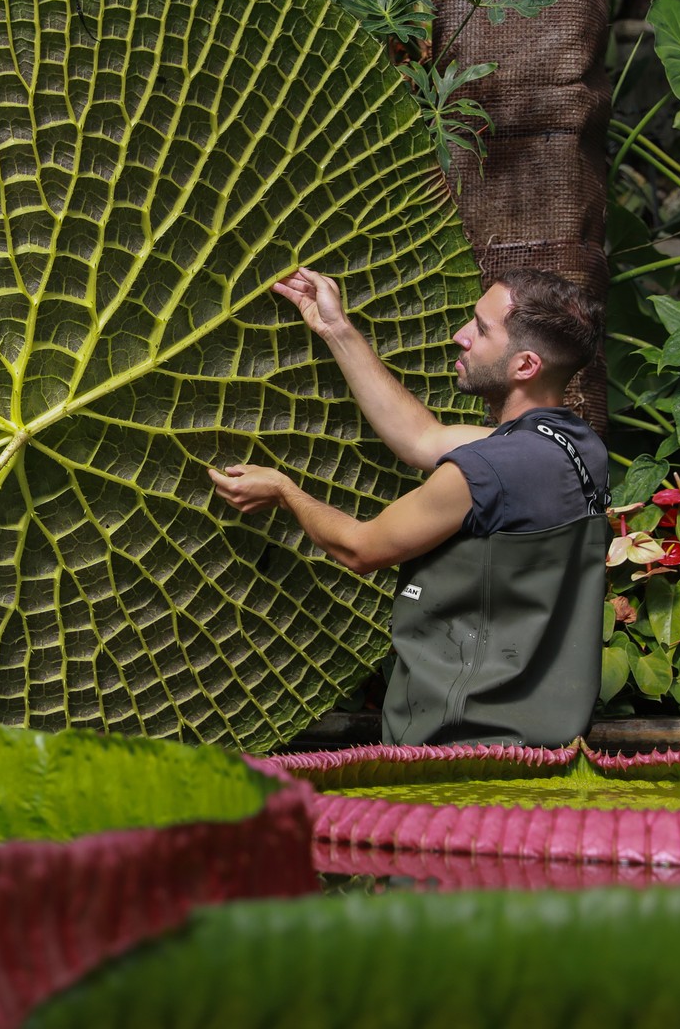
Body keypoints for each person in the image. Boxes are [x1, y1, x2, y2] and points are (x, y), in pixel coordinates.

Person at [208, 267, 610, 747]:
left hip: (458, 748)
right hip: (543, 746)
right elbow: (422, 438)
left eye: (481, 330)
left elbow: (360, 549)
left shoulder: (481, 472)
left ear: (524, 366)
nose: (460, 336)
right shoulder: (577, 449)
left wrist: (284, 491)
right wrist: (335, 327)